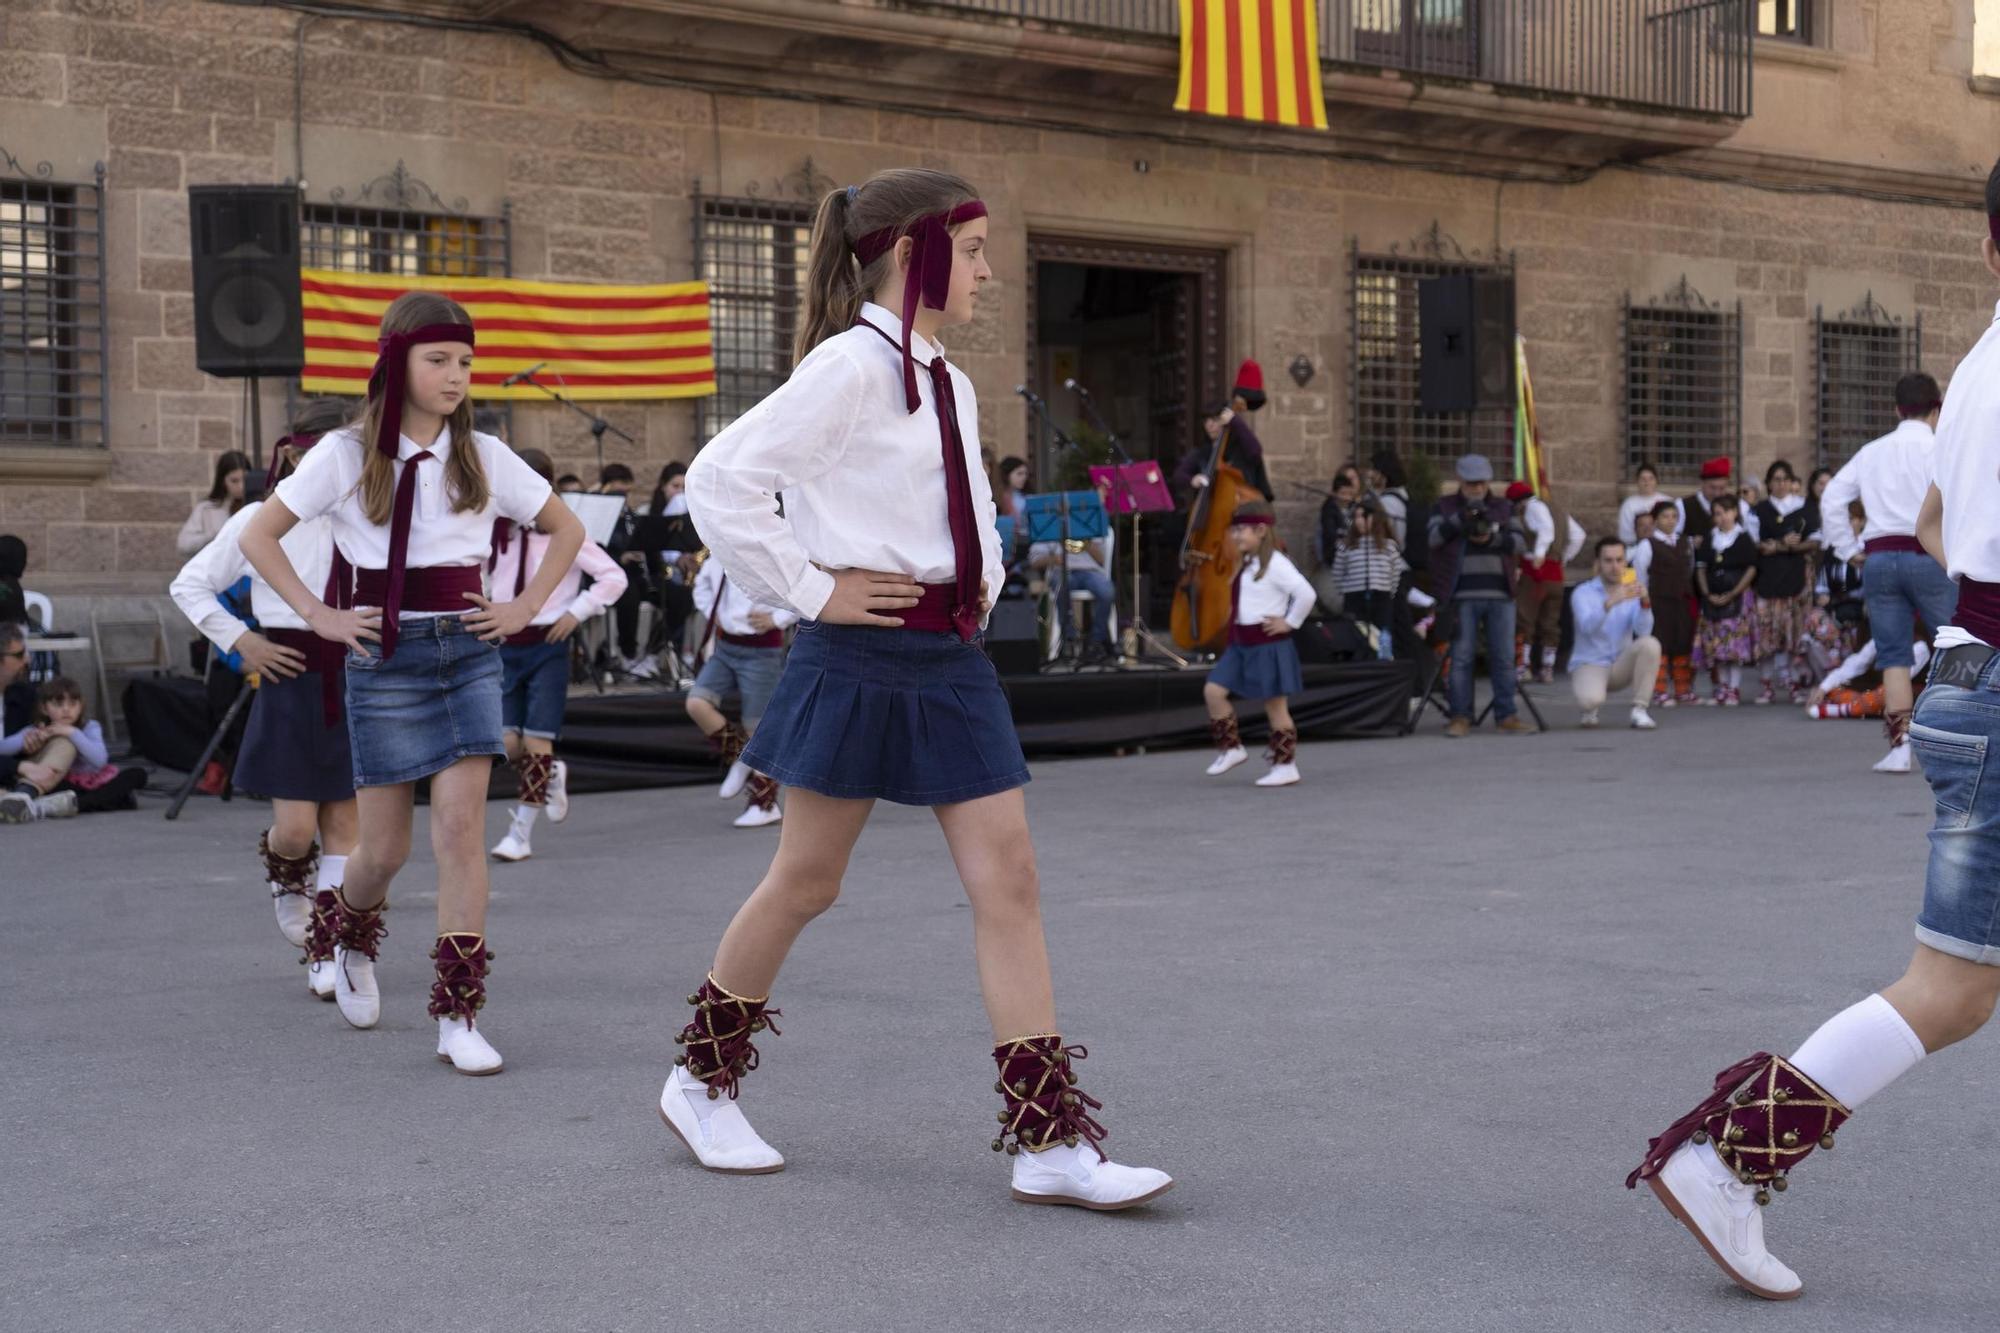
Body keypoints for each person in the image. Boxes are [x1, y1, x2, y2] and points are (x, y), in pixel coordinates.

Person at [671, 167, 1171, 1208]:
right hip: (855, 654)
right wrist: (812, 586)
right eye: (976, 249)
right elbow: (720, 480)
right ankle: (699, 1078)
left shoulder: (947, 374)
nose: (988, 270)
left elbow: (967, 506)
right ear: (915, 252)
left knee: (1011, 880)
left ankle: (1046, 1140)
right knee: (807, 880)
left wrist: (980, 587)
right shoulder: (848, 366)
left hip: (948, 659)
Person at [1626, 164, 2000, 1303]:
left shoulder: (1978, 365)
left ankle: (1729, 1156)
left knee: (1958, 984)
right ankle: (1727, 1156)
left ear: (1986, 245)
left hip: (1969, 668)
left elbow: (1936, 524)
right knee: (1946, 987)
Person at [239, 290, 584, 1076]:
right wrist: (318, 614)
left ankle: (459, 1013)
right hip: (382, 657)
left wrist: (526, 605)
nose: (457, 374)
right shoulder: (344, 453)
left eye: (465, 360)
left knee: (461, 833)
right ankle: (347, 929)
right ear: (397, 361)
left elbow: (567, 529)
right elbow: (261, 534)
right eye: (439, 360)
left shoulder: (486, 455)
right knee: (384, 849)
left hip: (466, 653)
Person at [169, 400, 358, 997]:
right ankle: (285, 876)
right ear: (297, 455)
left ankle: (328, 947)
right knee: (297, 831)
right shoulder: (258, 517)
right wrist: (242, 639)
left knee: (346, 830)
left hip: (359, 677)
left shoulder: (373, 518)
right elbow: (191, 583)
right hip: (291, 675)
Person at [487, 448, 628, 864]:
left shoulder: (564, 532)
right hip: (504, 643)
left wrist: (576, 611)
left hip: (548, 641)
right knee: (504, 743)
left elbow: (613, 577)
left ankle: (521, 832)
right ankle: (549, 773)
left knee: (536, 740)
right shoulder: (496, 531)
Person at [1818, 371, 1956, 773]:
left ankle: (1900, 748)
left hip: (1879, 558)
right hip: (1929, 555)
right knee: (1955, 647)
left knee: (1893, 655)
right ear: (1937, 409)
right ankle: (1958, 739)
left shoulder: (1871, 451)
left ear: (1897, 409)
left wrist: (1848, 549)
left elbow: (1832, 499)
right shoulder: (1940, 448)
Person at [1202, 500, 1314, 786]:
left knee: (1275, 707)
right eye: (1235, 530)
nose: (1236, 535)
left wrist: (1289, 622)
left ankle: (1285, 765)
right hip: (1241, 642)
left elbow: (1306, 594)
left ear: (1262, 530)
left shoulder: (1276, 563)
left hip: (1267, 643)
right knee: (1214, 691)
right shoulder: (1248, 561)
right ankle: (1231, 748)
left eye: (1242, 530)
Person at [685, 551, 796, 829]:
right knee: (697, 703)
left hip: (762, 651)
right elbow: (702, 585)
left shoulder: (772, 549)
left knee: (757, 727)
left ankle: (764, 803)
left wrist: (778, 619)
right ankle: (743, 757)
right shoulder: (719, 550)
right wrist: (714, 613)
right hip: (726, 647)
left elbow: (803, 589)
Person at [1430, 454, 1529, 737]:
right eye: (1472, 483)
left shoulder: (1503, 507)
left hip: (1500, 592)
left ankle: (1506, 714)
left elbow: (1520, 543)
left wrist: (1492, 537)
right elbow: (1433, 539)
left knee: (1504, 656)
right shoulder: (1445, 506)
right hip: (1461, 592)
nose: (1477, 489)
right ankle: (1460, 716)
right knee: (1462, 657)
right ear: (1460, 481)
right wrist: (1460, 521)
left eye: (1482, 483)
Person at [0, 676, 145, 819]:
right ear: (44, 708)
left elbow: (99, 760)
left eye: (72, 703)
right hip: (56, 782)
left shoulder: (89, 727)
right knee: (110, 797)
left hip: (88, 781)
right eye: (58, 704)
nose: (66, 710)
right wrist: (29, 740)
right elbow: (3, 748)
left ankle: (46, 806)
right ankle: (101, 802)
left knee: (137, 774)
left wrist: (72, 733)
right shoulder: (38, 728)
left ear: (80, 705)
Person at [1567, 537, 1660, 730]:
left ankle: (1640, 710)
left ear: (1625, 562)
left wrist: (1645, 603)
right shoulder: (1583, 592)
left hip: (1620, 663)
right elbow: (1586, 627)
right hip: (1590, 663)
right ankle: (1590, 709)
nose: (1615, 566)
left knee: (1650, 644)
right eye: (1608, 561)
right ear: (1598, 564)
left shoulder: (1630, 589)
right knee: (1590, 700)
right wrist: (1609, 603)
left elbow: (1643, 631)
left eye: (1619, 560)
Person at [1751, 460, 1815, 704]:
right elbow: (1756, 544)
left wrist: (1793, 545)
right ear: (1768, 483)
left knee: (1792, 631)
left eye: (1784, 479)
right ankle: (1766, 684)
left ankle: (1790, 680)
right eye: (1775, 479)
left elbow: (1816, 539)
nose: (1780, 484)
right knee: (1767, 630)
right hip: (1767, 578)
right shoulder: (1759, 510)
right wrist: (1780, 544)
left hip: (1794, 575)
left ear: (1791, 482)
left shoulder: (1805, 508)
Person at [1508, 480, 1584, 684]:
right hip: (1555, 574)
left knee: (1525, 620)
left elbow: (1546, 530)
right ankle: (1547, 668)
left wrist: (1540, 554)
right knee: (1551, 622)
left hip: (1534, 572)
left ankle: (1523, 667)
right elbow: (1578, 536)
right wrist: (1562, 558)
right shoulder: (1558, 510)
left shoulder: (1533, 507)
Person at [0, 621, 70, 819]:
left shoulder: (24, 693)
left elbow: (42, 726)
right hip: (16, 770)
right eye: (19, 655)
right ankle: (35, 804)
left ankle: (23, 796)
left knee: (63, 741)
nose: (27, 660)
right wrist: (19, 767)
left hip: (20, 776)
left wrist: (37, 738)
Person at [1693, 493, 1758, 705]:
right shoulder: (1709, 538)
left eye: (1725, 513)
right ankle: (1721, 687)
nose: (1721, 518)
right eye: (1717, 514)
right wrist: (1707, 593)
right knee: (1716, 644)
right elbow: (1701, 568)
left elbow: (1751, 569)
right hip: (1712, 596)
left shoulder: (1743, 538)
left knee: (1734, 645)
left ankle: (1734, 688)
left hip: (1736, 598)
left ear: (1735, 513)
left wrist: (1733, 593)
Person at [1329, 492, 1402, 660]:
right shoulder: (1346, 546)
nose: (1359, 521)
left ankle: (1382, 661)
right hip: (1354, 596)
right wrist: (1345, 591)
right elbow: (1338, 573)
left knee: (1380, 634)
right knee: (1356, 633)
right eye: (1357, 517)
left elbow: (1395, 574)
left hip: (1381, 597)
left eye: (1364, 516)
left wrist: (1388, 592)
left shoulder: (1388, 546)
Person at [1644, 501, 1697, 706]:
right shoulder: (1648, 545)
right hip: (1659, 600)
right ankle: (1659, 690)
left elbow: (1690, 568)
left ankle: (1683, 689)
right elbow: (1641, 573)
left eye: (1674, 516)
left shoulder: (1685, 542)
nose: (1670, 520)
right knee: (1661, 644)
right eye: (1666, 516)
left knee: (1682, 642)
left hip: (1681, 600)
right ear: (1656, 520)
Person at [1806, 639, 1932, 720]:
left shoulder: (1920, 645)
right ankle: (1854, 707)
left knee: (1889, 693)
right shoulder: (1881, 637)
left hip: (1907, 693)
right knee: (1834, 689)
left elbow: (1900, 680)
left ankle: (1842, 710)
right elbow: (1854, 665)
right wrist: (1823, 688)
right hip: (1873, 693)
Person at [177, 450, 252, 556]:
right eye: (234, 481)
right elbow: (183, 544)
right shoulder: (206, 508)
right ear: (223, 480)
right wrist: (212, 536)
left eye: (245, 479)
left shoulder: (256, 506)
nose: (241, 486)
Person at [1617, 462, 1678, 546]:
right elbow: (1625, 534)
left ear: (1656, 481)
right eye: (1643, 479)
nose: (1647, 482)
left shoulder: (1667, 501)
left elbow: (1676, 528)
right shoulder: (1629, 504)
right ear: (1637, 481)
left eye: (1651, 479)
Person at [1680, 455, 1735, 546]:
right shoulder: (1683, 505)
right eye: (1712, 488)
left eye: (1722, 488)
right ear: (1702, 483)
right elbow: (1672, 537)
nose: (1717, 493)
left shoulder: (1736, 503)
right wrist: (1691, 541)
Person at [1365, 450, 1411, 549]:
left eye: (1373, 470)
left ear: (1383, 474)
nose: (1369, 474)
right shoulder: (1401, 494)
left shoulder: (1387, 503)